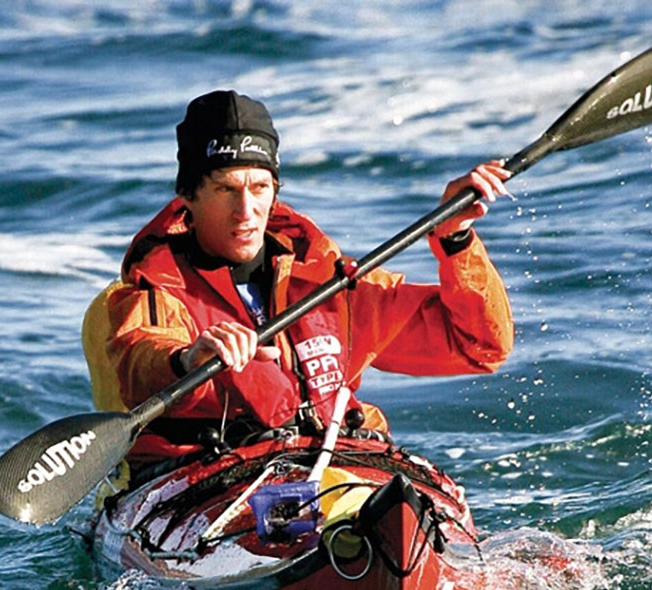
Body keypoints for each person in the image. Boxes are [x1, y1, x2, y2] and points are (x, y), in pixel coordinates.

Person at [82, 89, 514, 472]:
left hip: (337, 468)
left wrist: (455, 240)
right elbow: (139, 362)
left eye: (260, 187)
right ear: (189, 197)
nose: (246, 209)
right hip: (211, 480)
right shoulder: (155, 290)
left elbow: (479, 346)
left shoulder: (332, 283)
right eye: (225, 189)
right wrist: (187, 359)